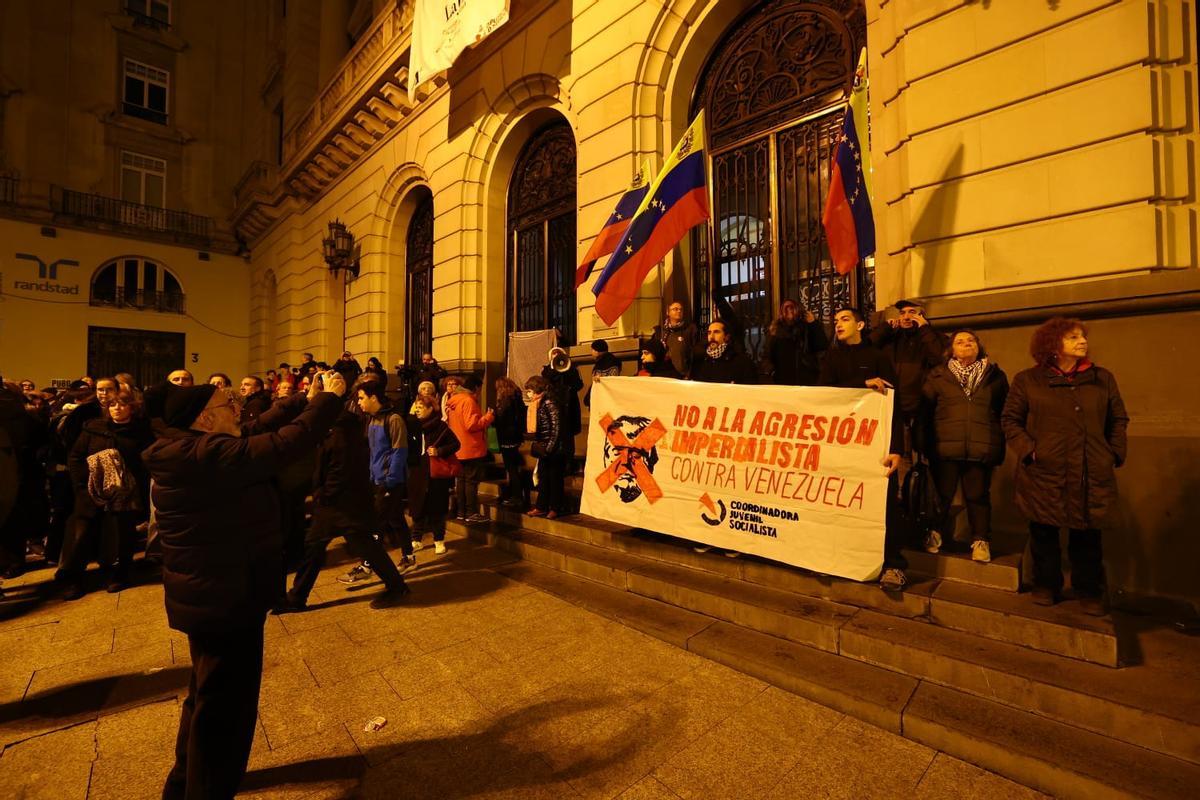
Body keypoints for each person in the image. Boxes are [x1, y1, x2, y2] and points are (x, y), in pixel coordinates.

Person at [143, 370, 344, 800]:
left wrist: (302, 399)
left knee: (206, 694)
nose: (237, 409)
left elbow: (257, 429)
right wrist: (327, 401)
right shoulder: (208, 454)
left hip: (212, 594)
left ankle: (183, 783)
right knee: (225, 708)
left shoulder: (191, 446)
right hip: (226, 596)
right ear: (205, 419)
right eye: (226, 405)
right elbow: (283, 444)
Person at [1001, 317, 1129, 614]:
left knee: (1088, 534)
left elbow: (1118, 418)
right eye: (1073, 337)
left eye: (1082, 336)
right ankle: (1046, 585)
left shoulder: (1102, 378)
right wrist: (1030, 451)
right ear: (1053, 345)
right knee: (1044, 531)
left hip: (1090, 469)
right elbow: (1010, 420)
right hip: (1044, 471)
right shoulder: (1028, 380)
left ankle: (1089, 590)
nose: (1082, 341)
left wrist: (1113, 453)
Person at [275, 396, 409, 613]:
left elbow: (339, 471)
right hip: (341, 504)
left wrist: (323, 495)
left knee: (321, 547)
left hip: (339, 505)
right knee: (339, 546)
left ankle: (297, 597)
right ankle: (297, 597)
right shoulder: (340, 428)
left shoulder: (340, 433)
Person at [819, 308, 906, 591]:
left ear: (860, 325)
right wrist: (862, 385)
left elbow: (894, 405)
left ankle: (893, 564)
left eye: (844, 319)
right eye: (835, 321)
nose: (838, 324)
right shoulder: (831, 359)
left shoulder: (879, 357)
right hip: (841, 446)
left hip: (875, 446)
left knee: (884, 503)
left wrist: (897, 448)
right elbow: (824, 395)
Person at [920, 330, 1009, 563]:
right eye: (960, 341)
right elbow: (925, 412)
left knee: (978, 496)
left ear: (979, 346)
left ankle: (981, 541)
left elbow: (1004, 412)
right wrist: (924, 443)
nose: (966, 344)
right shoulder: (938, 375)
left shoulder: (996, 376)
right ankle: (934, 533)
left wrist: (999, 443)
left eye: (971, 340)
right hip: (944, 447)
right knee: (941, 496)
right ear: (952, 350)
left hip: (981, 446)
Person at [59, 388, 154, 597]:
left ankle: (121, 574)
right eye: (112, 405)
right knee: (84, 534)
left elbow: (146, 461)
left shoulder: (141, 432)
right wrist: (82, 486)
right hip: (92, 491)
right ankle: (75, 578)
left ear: (132, 408)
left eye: (122, 404)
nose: (117, 408)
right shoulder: (93, 429)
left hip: (125, 493)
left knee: (124, 533)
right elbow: (76, 457)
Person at [341, 379, 415, 584]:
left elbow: (399, 451)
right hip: (377, 478)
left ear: (373, 397)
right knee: (396, 519)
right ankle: (409, 557)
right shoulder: (372, 419)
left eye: (361, 398)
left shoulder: (393, 419)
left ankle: (367, 565)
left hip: (390, 481)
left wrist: (389, 479)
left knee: (376, 523)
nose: (359, 403)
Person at [870, 299, 945, 461]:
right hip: (895, 405)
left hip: (922, 407)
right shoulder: (892, 337)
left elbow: (939, 357)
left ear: (922, 316)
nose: (906, 317)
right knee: (899, 457)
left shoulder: (932, 336)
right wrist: (884, 329)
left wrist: (925, 330)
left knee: (923, 456)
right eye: (902, 313)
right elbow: (867, 348)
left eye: (912, 312)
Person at [406, 397, 460, 555]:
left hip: (435, 474)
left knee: (437, 507)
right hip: (417, 471)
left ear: (430, 408)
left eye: (421, 407)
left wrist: (439, 451)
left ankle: (439, 539)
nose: (417, 410)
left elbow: (456, 444)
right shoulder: (413, 426)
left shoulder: (440, 427)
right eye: (416, 407)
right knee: (417, 506)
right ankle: (416, 539)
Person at [446, 375, 495, 523]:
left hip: (458, 447)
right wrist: (488, 417)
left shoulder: (455, 400)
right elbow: (471, 425)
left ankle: (461, 512)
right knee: (471, 482)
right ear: (476, 388)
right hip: (471, 448)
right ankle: (471, 512)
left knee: (460, 481)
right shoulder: (468, 401)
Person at [524, 375, 565, 519]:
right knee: (543, 477)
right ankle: (541, 506)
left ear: (537, 389)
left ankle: (554, 507)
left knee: (554, 479)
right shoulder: (540, 403)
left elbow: (556, 426)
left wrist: (549, 448)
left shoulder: (549, 402)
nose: (528, 394)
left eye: (530, 391)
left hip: (553, 449)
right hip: (545, 446)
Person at [765, 299, 829, 386]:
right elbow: (768, 354)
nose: (789, 312)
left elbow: (822, 345)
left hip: (807, 379)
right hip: (783, 381)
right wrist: (772, 372)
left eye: (792, 308)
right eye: (786, 309)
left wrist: (813, 323)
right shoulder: (776, 331)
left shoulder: (806, 328)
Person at [493, 377, 527, 508]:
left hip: (507, 437)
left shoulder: (505, 402)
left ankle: (517, 496)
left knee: (511, 469)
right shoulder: (517, 399)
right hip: (515, 437)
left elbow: (501, 420)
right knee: (513, 468)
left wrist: (493, 417)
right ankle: (514, 494)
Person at [691, 319, 758, 384]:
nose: (711, 337)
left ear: (727, 337)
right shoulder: (700, 362)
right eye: (709, 333)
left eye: (716, 332)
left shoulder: (742, 362)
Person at [652, 301, 701, 378]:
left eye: (681, 309)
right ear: (668, 312)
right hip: (663, 373)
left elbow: (694, 352)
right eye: (675, 309)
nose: (679, 311)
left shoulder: (690, 329)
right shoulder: (660, 331)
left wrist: (689, 373)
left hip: (682, 374)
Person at [585, 339, 620, 406]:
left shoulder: (606, 362)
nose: (591, 353)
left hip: (603, 399)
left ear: (597, 351)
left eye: (592, 350)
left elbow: (611, 380)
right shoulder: (603, 361)